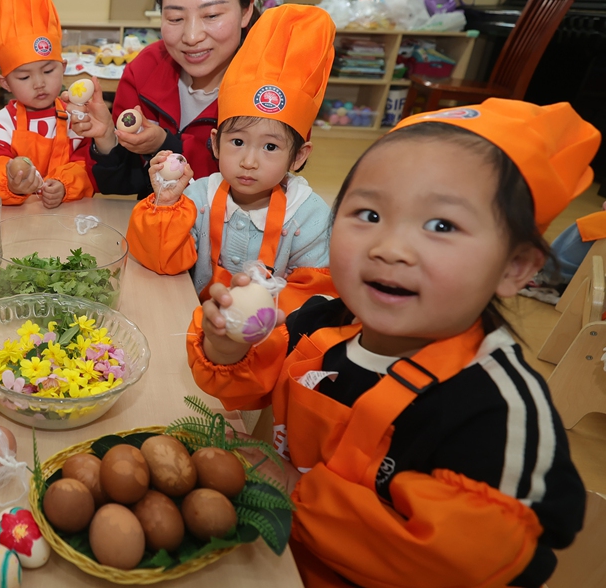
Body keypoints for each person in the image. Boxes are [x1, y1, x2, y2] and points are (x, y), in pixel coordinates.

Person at [188, 99, 593, 587]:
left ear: (515, 268)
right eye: (369, 213)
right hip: (274, 561)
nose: (390, 247)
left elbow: (457, 557)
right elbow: (245, 384)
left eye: (441, 225)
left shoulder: (497, 410)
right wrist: (227, 345)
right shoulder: (321, 321)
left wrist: (294, 487)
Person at [126, 5, 335, 312]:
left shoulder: (309, 217)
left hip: (269, 340)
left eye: (270, 148)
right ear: (216, 144)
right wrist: (166, 205)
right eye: (237, 142)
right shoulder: (198, 198)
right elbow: (161, 261)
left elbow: (316, 299)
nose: (249, 161)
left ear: (298, 156)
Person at [70, 0, 260, 197]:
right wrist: (106, 140)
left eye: (212, 15)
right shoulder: (144, 70)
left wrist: (165, 144)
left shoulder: (268, 88)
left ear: (246, 11)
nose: (192, 36)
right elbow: (120, 185)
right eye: (174, 18)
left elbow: (251, 185)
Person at [0, 0, 94, 208]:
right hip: (14, 217)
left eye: (48, 71)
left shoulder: (75, 118)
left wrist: (65, 185)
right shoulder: (5, 122)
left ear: (64, 68)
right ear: (5, 84)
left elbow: (86, 164)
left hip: (66, 215)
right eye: (24, 77)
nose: (39, 83)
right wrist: (11, 181)